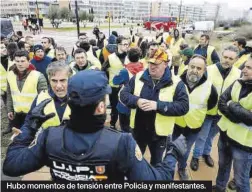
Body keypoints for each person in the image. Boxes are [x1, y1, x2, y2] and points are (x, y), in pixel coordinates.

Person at [3, 70, 187, 181]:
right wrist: (173, 155)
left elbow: (11, 166)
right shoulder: (122, 142)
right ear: (101, 107)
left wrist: (30, 126)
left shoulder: (49, 137)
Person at [120, 49, 189, 166]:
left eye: (156, 64)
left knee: (157, 163)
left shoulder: (176, 83)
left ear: (166, 64)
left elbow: (183, 106)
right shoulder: (138, 77)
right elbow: (123, 94)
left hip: (159, 135)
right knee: (134, 160)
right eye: (150, 63)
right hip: (138, 131)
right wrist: (137, 101)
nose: (152, 67)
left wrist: (158, 105)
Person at [191, 46, 241, 171]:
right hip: (207, 111)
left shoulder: (238, 74)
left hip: (223, 113)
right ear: (221, 55)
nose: (227, 60)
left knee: (212, 136)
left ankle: (206, 153)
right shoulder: (209, 70)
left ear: (236, 59)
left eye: (231, 58)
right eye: (225, 57)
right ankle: (196, 156)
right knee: (202, 135)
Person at [172, 55, 218, 180]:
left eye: (199, 68)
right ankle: (169, 170)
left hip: (193, 127)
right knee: (172, 148)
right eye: (192, 66)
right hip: (176, 124)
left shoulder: (210, 88)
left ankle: (181, 168)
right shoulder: (175, 82)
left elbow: (211, 105)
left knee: (185, 151)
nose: (195, 70)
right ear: (187, 66)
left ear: (204, 70)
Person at [213, 56, 252, 192]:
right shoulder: (238, 82)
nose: (244, 70)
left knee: (241, 179)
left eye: (249, 68)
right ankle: (219, 188)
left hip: (244, 144)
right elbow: (222, 101)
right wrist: (236, 117)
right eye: (245, 66)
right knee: (223, 166)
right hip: (225, 134)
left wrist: (232, 104)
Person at [5, 50, 47, 132]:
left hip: (32, 115)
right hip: (17, 114)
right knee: (19, 137)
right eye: (17, 61)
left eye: (23, 61)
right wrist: (10, 110)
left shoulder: (38, 76)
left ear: (29, 61)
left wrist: (40, 115)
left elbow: (44, 99)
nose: (20, 64)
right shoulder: (10, 75)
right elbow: (9, 94)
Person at [23, 61, 72, 129]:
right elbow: (28, 123)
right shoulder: (41, 97)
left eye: (62, 80)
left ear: (70, 79)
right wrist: (21, 137)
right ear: (49, 80)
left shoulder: (80, 97)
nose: (59, 86)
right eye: (54, 81)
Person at [113, 47, 144, 132]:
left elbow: (115, 81)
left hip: (125, 104)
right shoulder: (144, 69)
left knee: (125, 128)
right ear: (139, 57)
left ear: (128, 57)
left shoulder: (124, 71)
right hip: (139, 101)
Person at [102, 36, 129, 129]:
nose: (127, 46)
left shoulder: (130, 56)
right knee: (114, 108)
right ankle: (113, 124)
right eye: (125, 44)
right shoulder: (110, 57)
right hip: (114, 88)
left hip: (127, 88)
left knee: (126, 107)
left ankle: (125, 126)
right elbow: (103, 70)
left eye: (127, 44)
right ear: (118, 45)